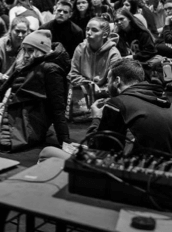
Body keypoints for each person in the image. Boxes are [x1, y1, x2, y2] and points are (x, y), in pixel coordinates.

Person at [42, 58, 172, 159]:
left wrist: (96, 118)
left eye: (108, 80)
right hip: (162, 173)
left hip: (133, 176)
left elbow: (99, 152)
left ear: (117, 81)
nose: (106, 86)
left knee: (47, 152)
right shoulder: (165, 101)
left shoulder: (118, 103)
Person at [68, 17, 122, 117]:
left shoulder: (113, 53)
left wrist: (100, 91)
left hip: (106, 98)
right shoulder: (80, 49)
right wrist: (90, 85)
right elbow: (73, 75)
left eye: (94, 30)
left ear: (105, 34)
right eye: (87, 29)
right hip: (83, 97)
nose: (88, 33)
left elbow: (114, 82)